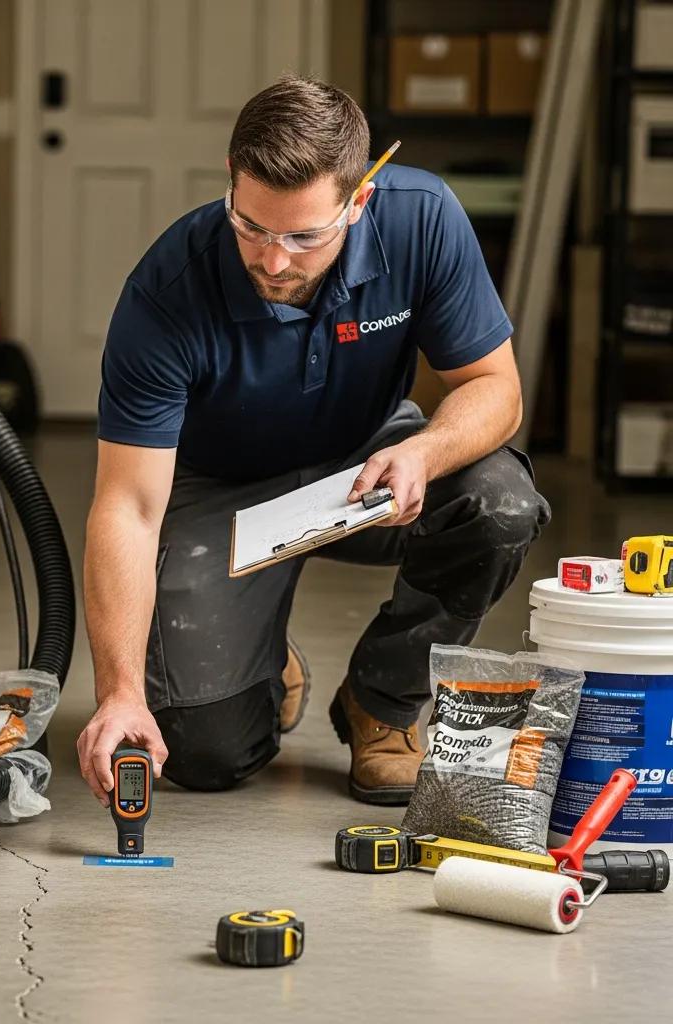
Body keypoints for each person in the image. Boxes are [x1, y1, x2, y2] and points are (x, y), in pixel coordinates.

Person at [76, 76, 550, 807]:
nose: (273, 260)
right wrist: (119, 695)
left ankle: (383, 701)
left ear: (358, 201)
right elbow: (128, 509)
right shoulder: (166, 292)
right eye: (252, 227)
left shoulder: (421, 219)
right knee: (202, 752)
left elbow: (497, 388)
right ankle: (259, 660)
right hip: (218, 489)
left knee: (499, 505)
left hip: (366, 457)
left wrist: (423, 453)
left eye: (305, 236)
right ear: (231, 183)